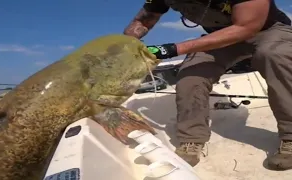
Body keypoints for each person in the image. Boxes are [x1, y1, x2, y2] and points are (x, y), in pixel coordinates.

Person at [123, 0, 292, 170]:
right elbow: (144, 19)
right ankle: (191, 139)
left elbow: (246, 27)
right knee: (190, 75)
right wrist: (125, 45)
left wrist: (172, 49)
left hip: (267, 30)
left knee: (274, 55)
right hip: (221, 35)